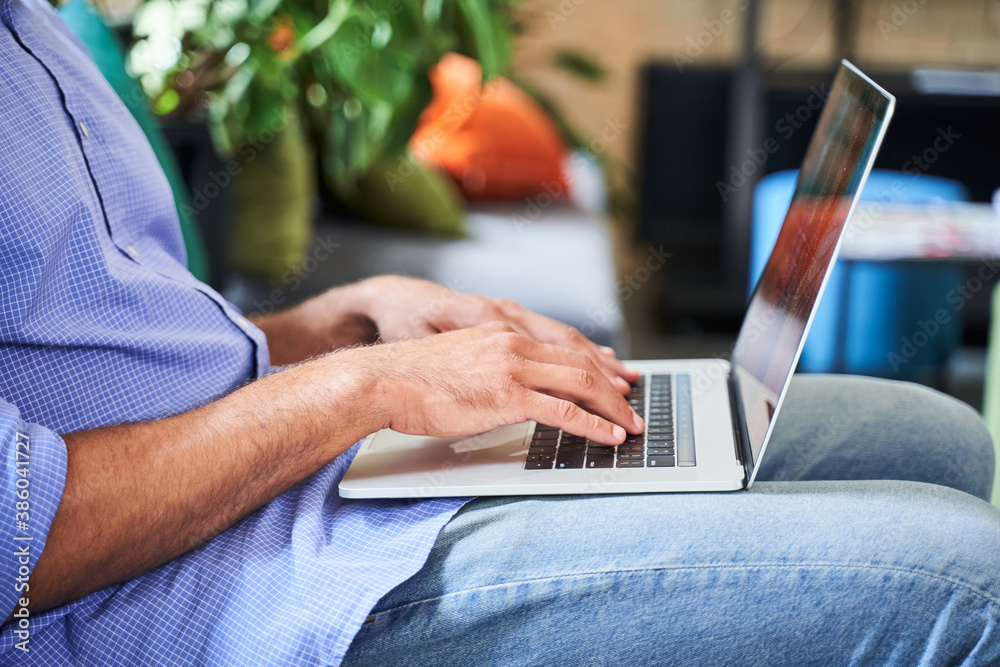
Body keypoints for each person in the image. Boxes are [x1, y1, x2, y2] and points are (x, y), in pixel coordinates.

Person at [0, 1, 997, 664]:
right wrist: (367, 383)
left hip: (306, 465)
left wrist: (327, 325)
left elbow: (117, 339)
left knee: (933, 433)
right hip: (224, 588)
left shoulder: (35, 28)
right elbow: (19, 547)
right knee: (969, 580)